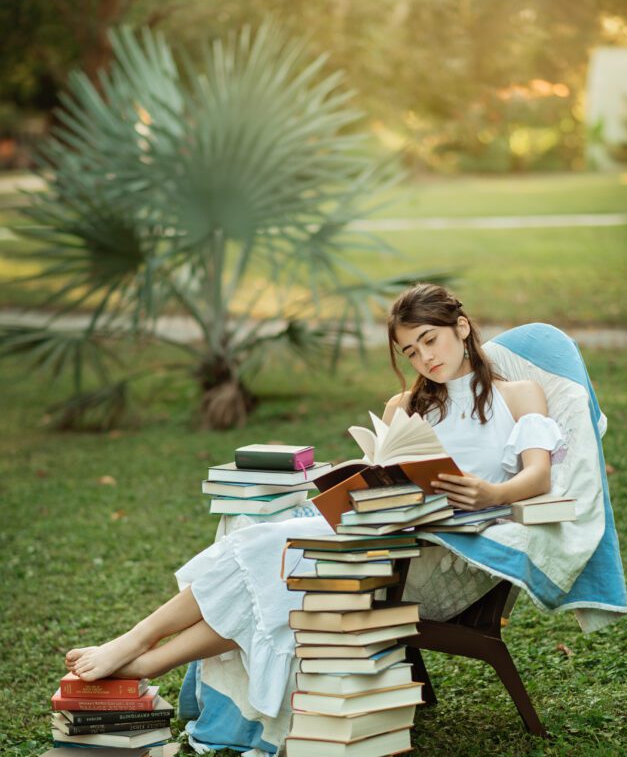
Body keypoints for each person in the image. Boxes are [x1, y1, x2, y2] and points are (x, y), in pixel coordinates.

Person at [64, 284, 564, 731]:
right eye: (410, 351)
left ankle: (141, 650)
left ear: (461, 327)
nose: (424, 358)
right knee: (271, 552)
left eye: (430, 340)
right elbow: (379, 481)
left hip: (442, 557)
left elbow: (537, 475)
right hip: (380, 537)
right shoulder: (406, 405)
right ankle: (143, 655)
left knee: (268, 547)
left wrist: (491, 494)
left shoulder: (518, 395)